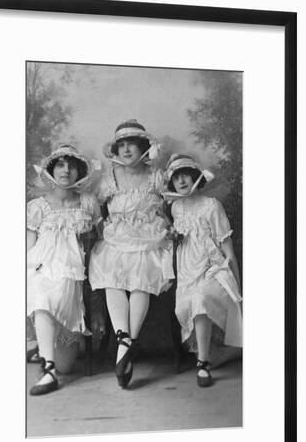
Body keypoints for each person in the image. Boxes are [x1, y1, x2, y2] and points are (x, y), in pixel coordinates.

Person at [89, 120, 174, 388]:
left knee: (141, 277)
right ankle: (124, 340)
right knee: (110, 274)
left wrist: (172, 227)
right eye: (122, 146)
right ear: (116, 150)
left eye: (132, 145)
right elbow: (96, 210)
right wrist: (103, 227)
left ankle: (127, 343)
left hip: (150, 236)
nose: (126, 151)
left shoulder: (156, 176)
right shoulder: (109, 179)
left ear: (144, 149)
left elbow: (175, 205)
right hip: (116, 236)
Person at [163, 153, 242, 387]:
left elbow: (226, 246)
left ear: (196, 177)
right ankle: (211, 355)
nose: (182, 181)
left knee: (200, 299)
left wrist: (237, 282)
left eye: (186, 174)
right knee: (186, 305)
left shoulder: (211, 206)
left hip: (213, 268)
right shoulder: (176, 208)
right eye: (176, 178)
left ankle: (203, 365)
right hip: (187, 270)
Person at [27, 145, 100, 395]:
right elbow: (28, 250)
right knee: (39, 294)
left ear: (79, 171)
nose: (66, 169)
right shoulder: (37, 206)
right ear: (51, 170)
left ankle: (46, 351)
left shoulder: (88, 203)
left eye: (71, 165)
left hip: (71, 272)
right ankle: (48, 370)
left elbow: (101, 239)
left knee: (68, 366)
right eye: (60, 164)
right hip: (40, 269)